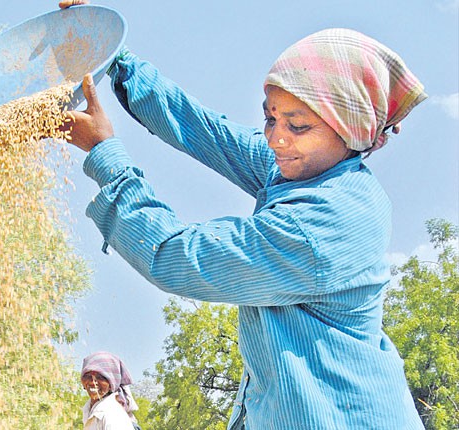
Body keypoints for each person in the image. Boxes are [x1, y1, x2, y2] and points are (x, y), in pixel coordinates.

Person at [59, 1, 428, 429]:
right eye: (270, 118)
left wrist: (106, 156)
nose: (276, 139)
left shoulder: (327, 221)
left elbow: (177, 257)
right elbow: (202, 129)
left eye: (298, 125)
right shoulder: (300, 171)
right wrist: (112, 56)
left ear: (351, 129)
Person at [81, 351, 141, 430]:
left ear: (112, 383)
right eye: (88, 376)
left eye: (100, 377)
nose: (92, 382)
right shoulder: (90, 409)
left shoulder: (113, 414)